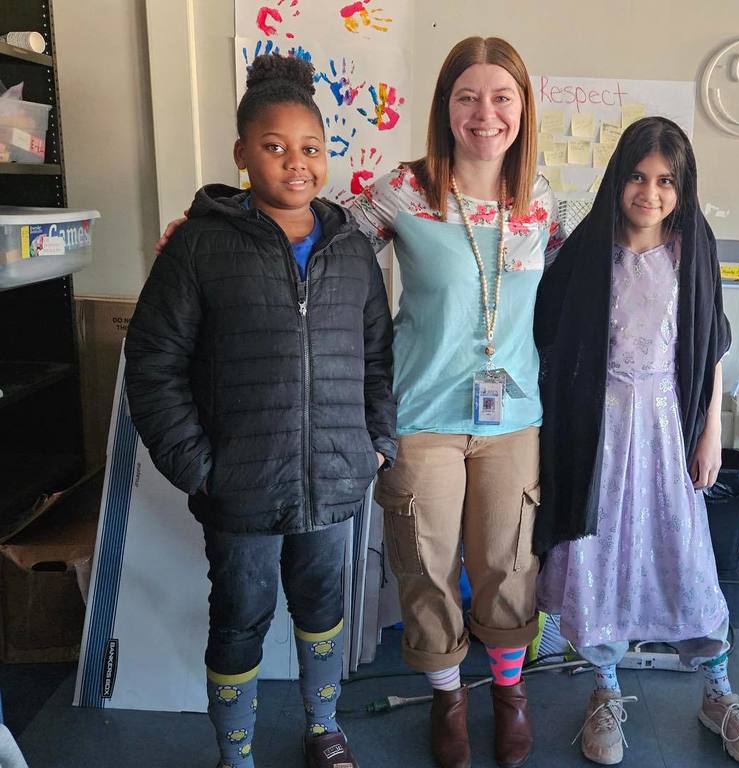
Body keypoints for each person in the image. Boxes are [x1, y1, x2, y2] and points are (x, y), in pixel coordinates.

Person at [125, 54, 396, 768]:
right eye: (274, 147)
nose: (295, 164)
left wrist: (375, 443)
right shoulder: (197, 246)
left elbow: (378, 359)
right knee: (240, 619)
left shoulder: (352, 250)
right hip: (238, 489)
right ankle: (236, 754)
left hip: (333, 485)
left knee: (322, 609)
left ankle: (323, 728)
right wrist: (199, 467)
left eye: (310, 149)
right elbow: (153, 365)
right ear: (243, 152)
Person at [532, 117, 739, 767]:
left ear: (682, 186)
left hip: (668, 428)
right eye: (638, 177)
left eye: (666, 180)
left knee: (688, 562)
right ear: (618, 179)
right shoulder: (586, 251)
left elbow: (712, 343)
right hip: (599, 435)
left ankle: (718, 690)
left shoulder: (692, 245)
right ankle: (605, 690)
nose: (650, 192)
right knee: (602, 561)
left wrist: (711, 431)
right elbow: (549, 340)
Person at [349, 36, 561, 768]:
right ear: (446, 107)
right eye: (468, 96)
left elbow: (591, 287)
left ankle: (509, 695)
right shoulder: (404, 191)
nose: (485, 112)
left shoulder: (543, 203)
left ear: (523, 107)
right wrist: (217, 225)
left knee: (509, 565)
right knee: (426, 565)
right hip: (422, 416)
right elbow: (315, 235)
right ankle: (448, 697)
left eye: (502, 96)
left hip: (517, 417)